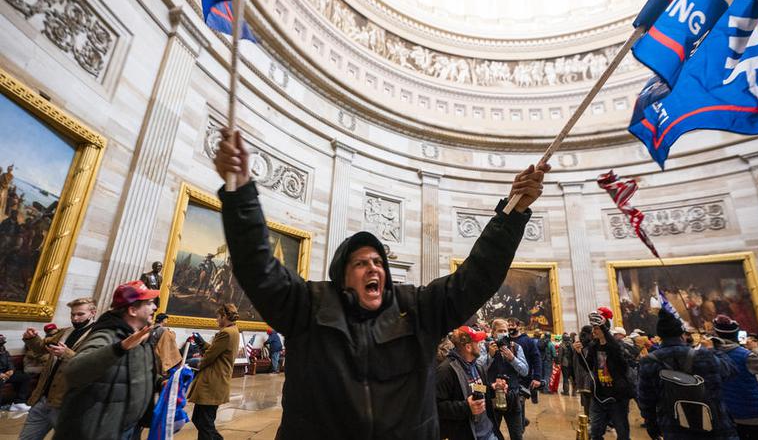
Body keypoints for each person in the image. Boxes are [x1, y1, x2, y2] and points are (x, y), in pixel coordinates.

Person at [213, 128, 549, 438]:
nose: (373, 268)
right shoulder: (308, 305)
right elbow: (259, 268)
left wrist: (513, 212)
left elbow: (478, 274)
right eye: (361, 263)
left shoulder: (418, 308)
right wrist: (240, 192)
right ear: (342, 275)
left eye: (378, 262)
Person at [54, 281, 159, 440]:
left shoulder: (140, 335)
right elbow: (74, 370)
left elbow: (137, 370)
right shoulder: (106, 334)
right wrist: (120, 347)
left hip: (127, 428)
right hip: (98, 431)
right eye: (149, 303)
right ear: (132, 310)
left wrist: (161, 382)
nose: (154, 307)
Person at [637, 308, 737, 440]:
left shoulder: (648, 362)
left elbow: (646, 400)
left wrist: (652, 425)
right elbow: (730, 370)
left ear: (660, 336)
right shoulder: (703, 355)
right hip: (714, 425)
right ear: (682, 334)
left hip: (674, 427)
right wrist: (713, 349)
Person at [18, 298, 97, 439]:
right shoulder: (65, 332)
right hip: (44, 398)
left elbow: (93, 364)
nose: (75, 318)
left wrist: (67, 354)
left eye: (80, 314)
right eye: (72, 314)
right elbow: (42, 348)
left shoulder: (97, 336)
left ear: (92, 313)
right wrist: (32, 338)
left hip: (66, 403)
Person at [713, 315, 758, 440]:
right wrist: (756, 349)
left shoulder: (712, 355)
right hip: (753, 412)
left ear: (716, 334)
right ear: (736, 334)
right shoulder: (745, 355)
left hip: (729, 413)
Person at [574, 309, 635, 440]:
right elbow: (588, 366)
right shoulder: (593, 346)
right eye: (593, 328)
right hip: (599, 395)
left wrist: (602, 324)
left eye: (596, 328)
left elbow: (613, 348)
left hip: (617, 396)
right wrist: (579, 354)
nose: (593, 331)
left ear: (604, 329)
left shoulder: (615, 346)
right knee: (595, 432)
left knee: (622, 432)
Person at [436, 326, 504, 440]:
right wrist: (466, 407)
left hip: (488, 432)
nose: (481, 345)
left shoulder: (477, 366)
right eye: (477, 342)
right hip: (467, 435)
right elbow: (436, 407)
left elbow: (477, 388)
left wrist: (493, 388)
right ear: (468, 347)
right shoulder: (445, 370)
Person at [188, 303, 241, 440]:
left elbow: (209, 357)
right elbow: (217, 351)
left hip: (212, 383)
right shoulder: (234, 330)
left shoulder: (226, 333)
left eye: (218, 316)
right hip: (216, 382)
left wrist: (193, 364)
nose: (216, 319)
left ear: (224, 316)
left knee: (204, 422)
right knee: (201, 420)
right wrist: (202, 343)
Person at [479, 319, 529, 440]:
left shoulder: (516, 347)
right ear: (493, 332)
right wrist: (490, 356)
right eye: (500, 331)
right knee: (492, 434)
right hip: (492, 397)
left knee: (517, 434)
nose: (503, 333)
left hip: (513, 396)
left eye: (505, 331)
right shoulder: (485, 347)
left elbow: (525, 371)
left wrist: (512, 359)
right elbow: (478, 369)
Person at [0, 333, 32, 411]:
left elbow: (10, 361)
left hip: (6, 374)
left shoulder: (4, 350)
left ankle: (19, 403)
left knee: (25, 377)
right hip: (1, 375)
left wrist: (11, 370)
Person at [573, 325, 593, 417]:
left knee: (585, 398)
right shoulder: (590, 346)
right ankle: (590, 417)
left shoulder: (578, 345)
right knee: (591, 398)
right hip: (589, 375)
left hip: (580, 375)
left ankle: (587, 416)